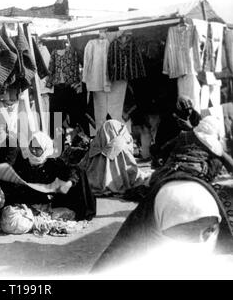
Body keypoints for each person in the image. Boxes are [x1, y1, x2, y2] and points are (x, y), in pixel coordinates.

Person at [91, 116, 233, 275]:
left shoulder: (183, 136)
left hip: (169, 181)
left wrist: (160, 159)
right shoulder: (215, 148)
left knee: (132, 238)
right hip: (201, 193)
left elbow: (159, 151)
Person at [2, 131, 96, 221]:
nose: (33, 150)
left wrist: (69, 182)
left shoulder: (53, 163)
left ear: (46, 149)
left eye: (38, 148)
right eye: (31, 147)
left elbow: (73, 172)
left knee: (80, 175)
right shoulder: (24, 162)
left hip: (51, 201)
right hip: (30, 201)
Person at [79, 119, 147, 196]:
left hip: (94, 183)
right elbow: (132, 169)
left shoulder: (96, 145)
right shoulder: (122, 146)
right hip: (120, 183)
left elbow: (83, 165)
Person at [151, 96, 201, 167]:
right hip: (174, 147)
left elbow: (202, 136)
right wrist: (160, 154)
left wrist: (190, 128)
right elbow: (160, 139)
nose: (189, 113)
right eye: (185, 111)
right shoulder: (169, 118)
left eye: (190, 110)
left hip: (191, 146)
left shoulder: (195, 116)